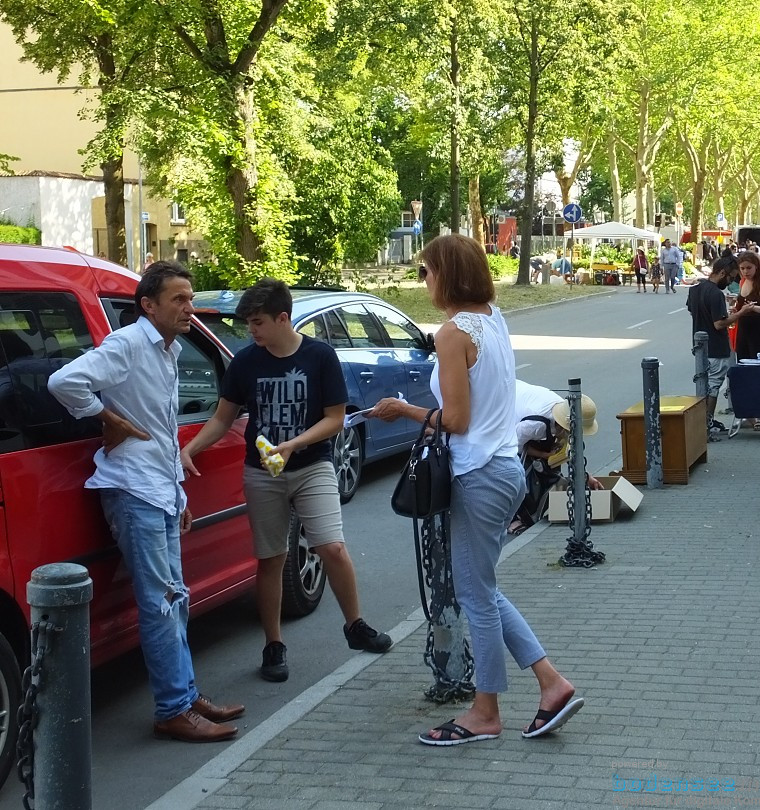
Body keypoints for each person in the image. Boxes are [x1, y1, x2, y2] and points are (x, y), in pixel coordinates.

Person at [368, 233, 583, 746]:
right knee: (482, 590)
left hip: (479, 472)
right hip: (504, 468)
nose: (424, 281)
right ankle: (550, 683)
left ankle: (486, 711)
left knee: (476, 596)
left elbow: (458, 420)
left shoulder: (451, 333)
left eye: (427, 271)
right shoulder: (492, 318)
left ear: (447, 274)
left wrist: (405, 411)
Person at [48, 261, 244, 743]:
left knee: (175, 597)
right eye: (178, 299)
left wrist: (178, 495)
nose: (189, 307)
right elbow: (63, 382)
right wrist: (103, 416)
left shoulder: (167, 350)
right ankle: (173, 708)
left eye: (190, 297)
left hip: (156, 487)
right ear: (148, 306)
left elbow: (160, 432)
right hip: (132, 490)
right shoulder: (129, 343)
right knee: (160, 603)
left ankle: (185, 694)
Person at [180, 279, 391, 683]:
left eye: (258, 322)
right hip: (261, 473)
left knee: (331, 547)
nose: (251, 331)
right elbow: (223, 418)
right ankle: (273, 645)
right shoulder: (246, 362)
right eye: (248, 324)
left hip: (312, 466)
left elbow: (335, 418)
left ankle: (356, 625)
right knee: (271, 557)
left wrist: (294, 444)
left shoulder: (319, 356)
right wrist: (191, 449)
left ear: (282, 318)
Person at [508, 380, 604, 535]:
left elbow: (572, 452)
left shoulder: (566, 410)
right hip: (505, 407)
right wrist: (543, 455)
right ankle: (512, 517)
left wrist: (586, 476)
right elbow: (511, 447)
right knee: (514, 472)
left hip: (520, 404)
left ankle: (536, 501)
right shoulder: (536, 425)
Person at [687, 256, 741, 439]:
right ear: (723, 273)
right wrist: (741, 313)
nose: (731, 282)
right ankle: (706, 424)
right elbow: (719, 324)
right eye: (731, 277)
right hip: (717, 346)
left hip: (700, 347)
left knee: (704, 384)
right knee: (713, 386)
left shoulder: (695, 289)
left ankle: (704, 423)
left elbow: (692, 310)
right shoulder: (716, 294)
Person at [733, 251, 760, 432]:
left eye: (749, 268)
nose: (745, 272)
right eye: (742, 268)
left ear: (756, 266)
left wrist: (754, 308)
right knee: (744, 371)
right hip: (743, 329)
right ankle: (748, 413)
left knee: (759, 371)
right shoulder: (743, 282)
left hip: (758, 330)